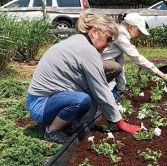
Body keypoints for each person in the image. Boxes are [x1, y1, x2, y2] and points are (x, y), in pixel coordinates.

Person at [26, 13, 141, 145]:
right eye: (108, 39)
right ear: (94, 32)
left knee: (105, 75)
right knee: (80, 99)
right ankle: (52, 131)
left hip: (46, 98)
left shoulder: (79, 40)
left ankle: (72, 122)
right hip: (40, 104)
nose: (109, 45)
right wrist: (119, 122)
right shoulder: (88, 51)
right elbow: (101, 88)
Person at [101, 13, 167, 93]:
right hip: (92, 63)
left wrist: (122, 88)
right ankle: (98, 88)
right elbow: (138, 59)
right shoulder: (120, 35)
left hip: (97, 62)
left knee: (117, 67)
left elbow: (120, 62)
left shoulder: (120, 33)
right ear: (130, 27)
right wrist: (164, 77)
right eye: (139, 31)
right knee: (114, 67)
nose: (140, 35)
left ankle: (102, 87)